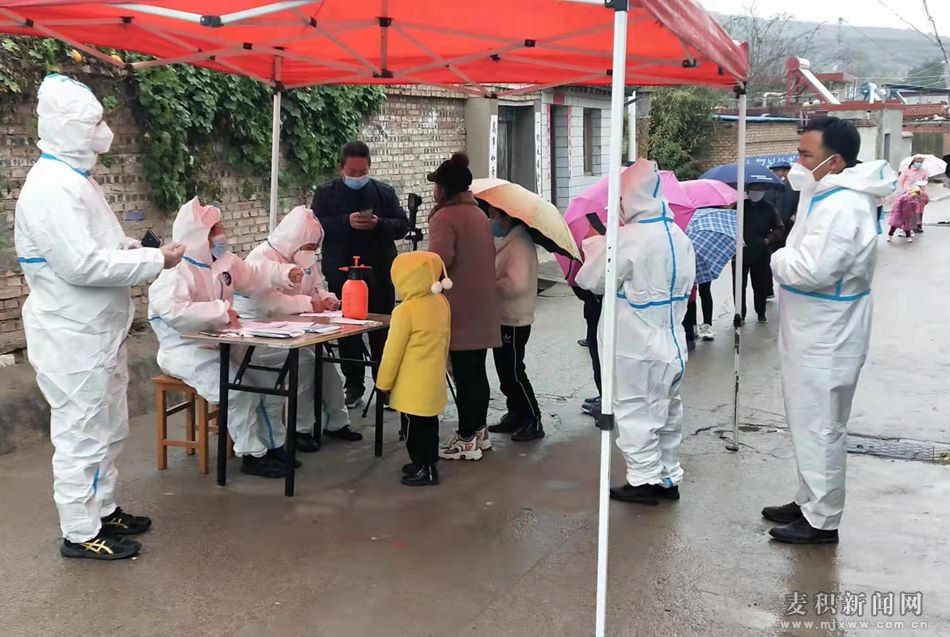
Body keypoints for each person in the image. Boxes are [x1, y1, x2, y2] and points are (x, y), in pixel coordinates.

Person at [15, 75, 185, 561]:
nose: (103, 132)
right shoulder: (50, 189)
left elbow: (100, 245)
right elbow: (81, 265)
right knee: (81, 433)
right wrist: (155, 261)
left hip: (98, 332)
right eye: (92, 123)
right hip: (72, 335)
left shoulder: (76, 180)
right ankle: (79, 531)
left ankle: (103, 509)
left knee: (108, 428)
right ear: (65, 127)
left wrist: (133, 248)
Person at [766, 117, 897, 544]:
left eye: (806, 154)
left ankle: (822, 519)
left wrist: (777, 258)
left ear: (835, 161)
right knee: (807, 421)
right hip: (812, 328)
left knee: (820, 424)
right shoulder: (824, 192)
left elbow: (811, 270)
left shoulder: (844, 206)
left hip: (827, 334)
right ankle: (809, 497)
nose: (797, 162)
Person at [149, 198, 303, 480]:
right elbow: (174, 312)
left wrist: (283, 273)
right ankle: (251, 455)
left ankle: (274, 445)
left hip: (223, 344)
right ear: (199, 235)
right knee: (237, 393)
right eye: (216, 230)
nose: (222, 234)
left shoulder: (224, 262)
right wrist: (220, 312)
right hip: (184, 350)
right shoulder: (175, 271)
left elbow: (254, 275)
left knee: (267, 383)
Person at [576, 159, 695, 505]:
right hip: (672, 342)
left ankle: (643, 480)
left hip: (636, 346)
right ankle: (668, 477)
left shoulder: (629, 240)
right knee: (668, 413)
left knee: (636, 412)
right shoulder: (679, 237)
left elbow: (592, 279)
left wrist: (595, 243)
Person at [234, 206, 358, 453]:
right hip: (258, 337)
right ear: (293, 239)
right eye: (308, 247)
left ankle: (337, 422)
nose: (311, 252)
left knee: (327, 365)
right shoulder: (261, 259)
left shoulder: (301, 258)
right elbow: (268, 304)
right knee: (306, 363)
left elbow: (315, 286)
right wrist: (308, 304)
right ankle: (300, 429)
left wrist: (326, 298)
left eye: (315, 247)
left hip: (296, 333)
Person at [312, 142, 410, 408]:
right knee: (348, 331)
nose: (358, 177)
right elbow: (315, 226)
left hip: (379, 271)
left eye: (362, 172)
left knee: (382, 330)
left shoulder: (384, 192)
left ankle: (385, 384)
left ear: (369, 167)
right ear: (340, 168)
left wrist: (378, 223)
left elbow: (402, 225)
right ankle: (353, 384)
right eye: (352, 172)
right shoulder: (326, 193)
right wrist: (346, 221)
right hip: (341, 271)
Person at [427, 152, 502, 462]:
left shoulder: (445, 218)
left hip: (460, 309)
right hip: (484, 306)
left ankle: (466, 438)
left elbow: (438, 261)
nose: (433, 191)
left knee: (464, 375)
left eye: (436, 186)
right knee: (477, 373)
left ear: (445, 189)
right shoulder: (479, 215)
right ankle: (480, 432)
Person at [376, 252, 452, 487]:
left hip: (412, 385)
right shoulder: (441, 303)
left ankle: (424, 468)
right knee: (429, 426)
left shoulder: (405, 311)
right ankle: (428, 462)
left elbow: (392, 352)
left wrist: (383, 383)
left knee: (412, 429)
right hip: (433, 380)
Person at [480, 201, 544, 442]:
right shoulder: (508, 240)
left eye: (494, 217)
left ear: (506, 217)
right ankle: (516, 414)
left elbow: (516, 284)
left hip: (515, 319)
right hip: (504, 316)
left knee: (514, 371)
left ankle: (533, 419)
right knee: (505, 371)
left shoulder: (519, 244)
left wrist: (491, 283)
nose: (492, 222)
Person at [732, 184, 785, 323]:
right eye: (753, 190)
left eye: (759, 190)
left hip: (761, 252)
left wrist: (768, 240)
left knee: (760, 285)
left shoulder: (769, 208)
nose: (756, 193)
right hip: (740, 252)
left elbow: (779, 228)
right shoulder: (739, 206)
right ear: (747, 191)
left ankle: (761, 313)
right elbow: (729, 224)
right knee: (739, 286)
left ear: (764, 192)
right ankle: (740, 314)